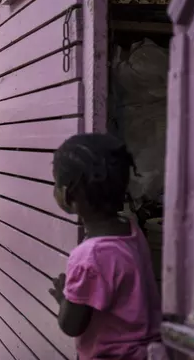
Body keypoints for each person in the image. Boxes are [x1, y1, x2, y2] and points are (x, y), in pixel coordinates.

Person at [48, 133, 161, 359]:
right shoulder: (131, 230)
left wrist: (64, 299)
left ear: (68, 193)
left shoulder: (89, 256)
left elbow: (71, 325)